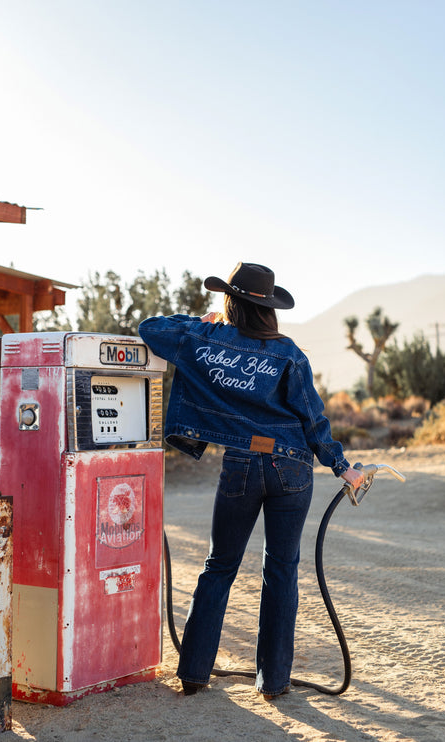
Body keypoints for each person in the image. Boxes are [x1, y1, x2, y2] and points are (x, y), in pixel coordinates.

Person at [138, 262, 364, 700]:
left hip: (242, 462)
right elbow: (313, 418)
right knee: (281, 572)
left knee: (219, 565)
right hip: (293, 466)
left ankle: (193, 674)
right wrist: (343, 467)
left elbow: (150, 328)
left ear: (230, 302)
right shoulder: (289, 353)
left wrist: (198, 321)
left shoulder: (203, 338)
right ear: (269, 307)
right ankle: (274, 683)